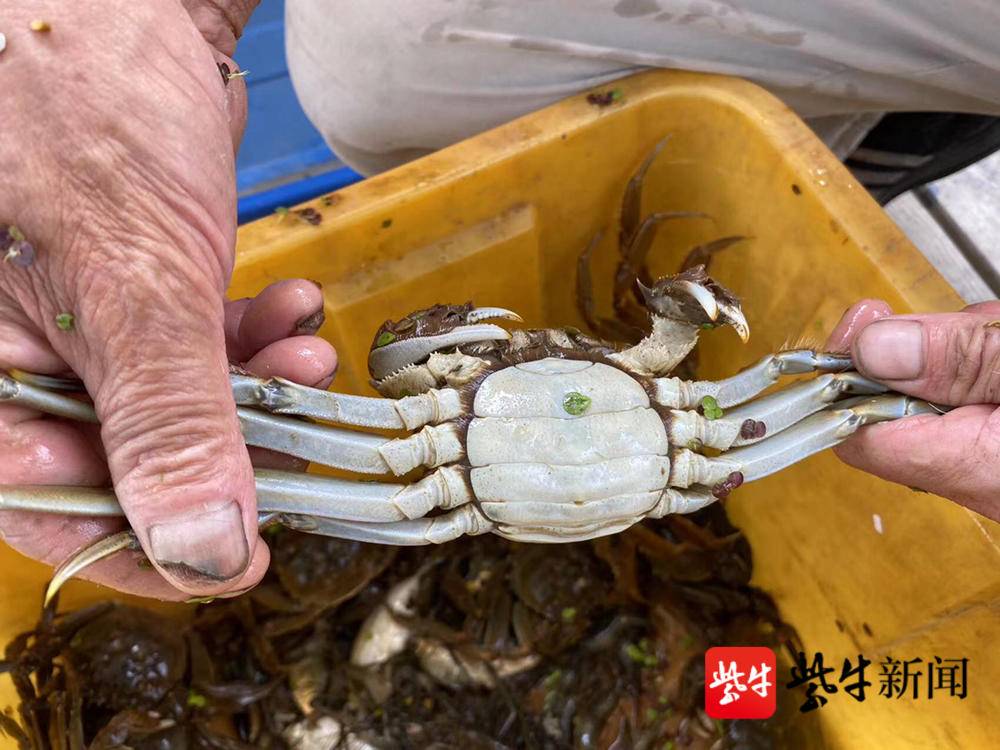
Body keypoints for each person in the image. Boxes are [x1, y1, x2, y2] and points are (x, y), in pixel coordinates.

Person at [0, 1, 997, 602]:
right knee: (380, 66)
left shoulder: (429, 458)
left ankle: (884, 128)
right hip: (649, 458)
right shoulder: (696, 425)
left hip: (547, 468)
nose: (547, 353)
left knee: (853, 388)